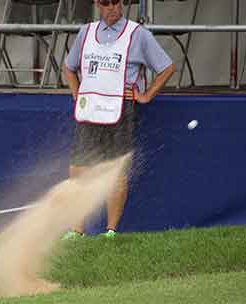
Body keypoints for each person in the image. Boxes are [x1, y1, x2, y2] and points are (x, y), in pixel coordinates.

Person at [62, 0, 175, 239]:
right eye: (106, 3)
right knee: (78, 169)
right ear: (97, 4)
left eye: (116, 2)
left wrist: (145, 96)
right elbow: (69, 68)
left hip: (121, 110)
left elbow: (166, 67)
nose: (112, 7)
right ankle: (76, 229)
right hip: (89, 111)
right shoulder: (86, 32)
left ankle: (110, 231)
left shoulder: (138, 34)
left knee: (115, 171)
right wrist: (78, 94)